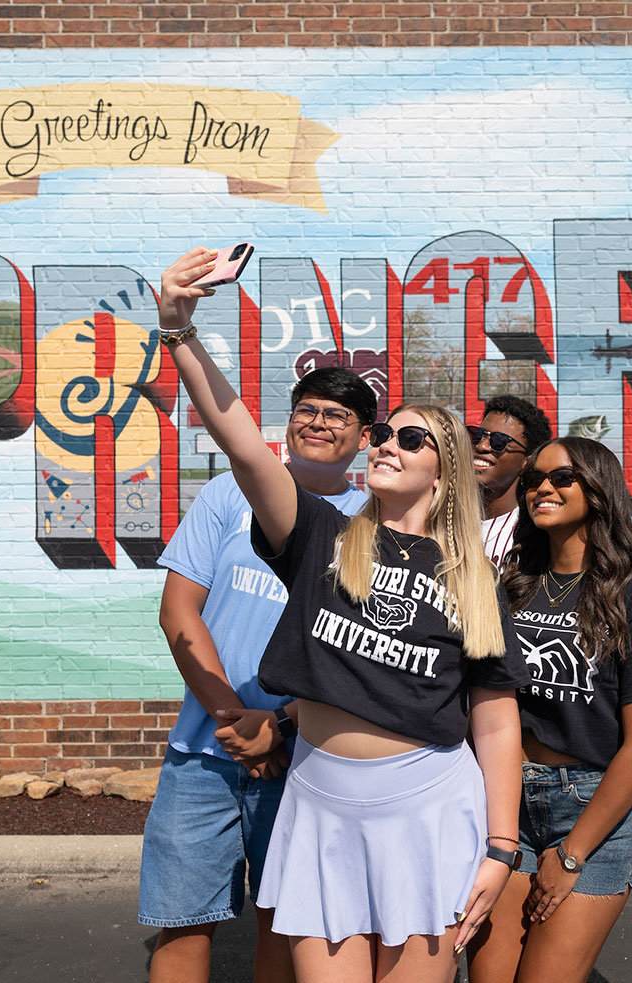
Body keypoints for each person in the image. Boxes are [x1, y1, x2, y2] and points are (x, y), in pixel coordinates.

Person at [156, 245, 529, 983]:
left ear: (445, 465)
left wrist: (500, 846)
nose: (387, 442)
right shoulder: (323, 536)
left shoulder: (471, 577)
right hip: (320, 800)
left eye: (410, 437)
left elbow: (495, 719)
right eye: (384, 432)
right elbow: (242, 445)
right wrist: (179, 330)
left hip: (428, 805)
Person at [139, 366, 377, 983]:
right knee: (183, 918)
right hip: (202, 755)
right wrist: (232, 721)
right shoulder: (226, 495)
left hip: (306, 757)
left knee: (285, 921)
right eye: (308, 409)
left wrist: (277, 725)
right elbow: (178, 611)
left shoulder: (373, 522)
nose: (318, 423)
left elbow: (368, 652)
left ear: (365, 437)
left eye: (337, 415)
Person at [466, 436, 632, 983]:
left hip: (588, 809)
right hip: (505, 799)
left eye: (563, 477)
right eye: (535, 478)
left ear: (598, 488)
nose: (543, 486)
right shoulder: (511, 585)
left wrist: (571, 857)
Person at [470, 395, 551, 569]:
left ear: (526, 462)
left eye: (498, 442)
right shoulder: (446, 515)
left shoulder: (530, 536)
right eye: (478, 435)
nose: (482, 446)